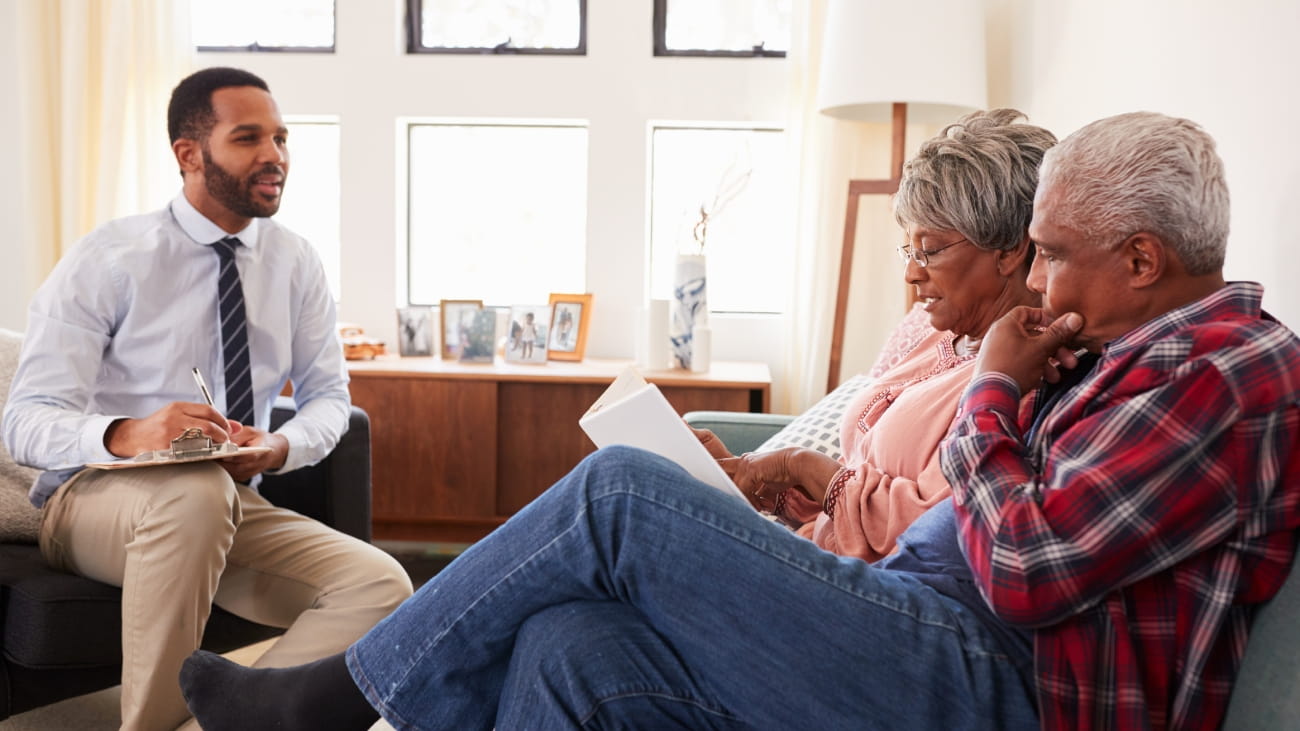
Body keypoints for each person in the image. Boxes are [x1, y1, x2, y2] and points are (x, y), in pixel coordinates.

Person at [178, 111, 1300, 731]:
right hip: (921, 626)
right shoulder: (1123, 346)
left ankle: (338, 699)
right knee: (572, 643)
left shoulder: (1225, 372)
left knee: (621, 495)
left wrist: (996, 386)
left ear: (1141, 259)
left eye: (1050, 254)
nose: (1037, 280)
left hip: (995, 685)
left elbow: (1023, 569)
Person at [1, 67, 413, 731]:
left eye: (281, 138)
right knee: (194, 495)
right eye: (248, 138)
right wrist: (130, 432)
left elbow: (329, 397)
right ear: (189, 154)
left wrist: (279, 445)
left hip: (231, 502)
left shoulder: (296, 262)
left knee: (382, 586)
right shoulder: (109, 258)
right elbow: (24, 421)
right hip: (92, 501)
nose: (275, 155)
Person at [702, 108, 1054, 560]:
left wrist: (800, 464)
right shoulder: (939, 338)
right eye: (910, 250)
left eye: (929, 251)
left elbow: (928, 531)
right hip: (814, 552)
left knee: (624, 481)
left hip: (858, 587)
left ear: (1009, 250)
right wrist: (760, 483)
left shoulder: (1018, 374)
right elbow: (853, 486)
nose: (911, 273)